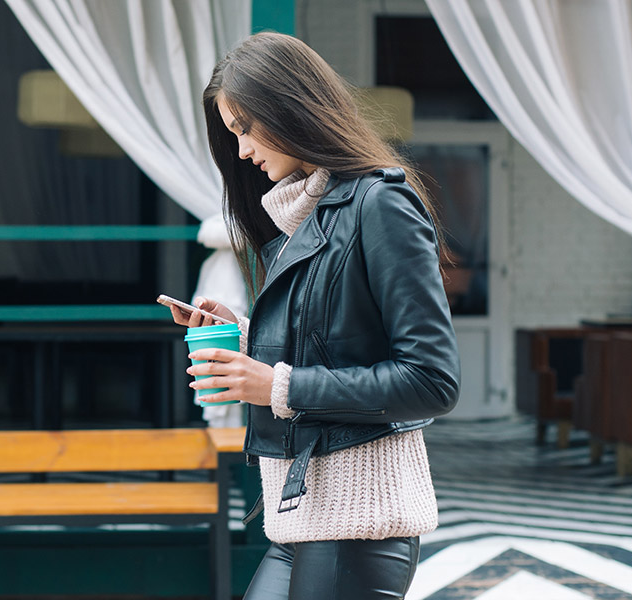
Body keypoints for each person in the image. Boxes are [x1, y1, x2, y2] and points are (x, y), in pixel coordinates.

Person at [168, 33, 460, 599]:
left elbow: (431, 380)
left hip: (360, 520)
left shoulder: (380, 205)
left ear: (289, 108)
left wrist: (273, 383)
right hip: (298, 515)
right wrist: (248, 338)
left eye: (244, 129)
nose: (243, 151)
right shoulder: (297, 217)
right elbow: (340, 343)